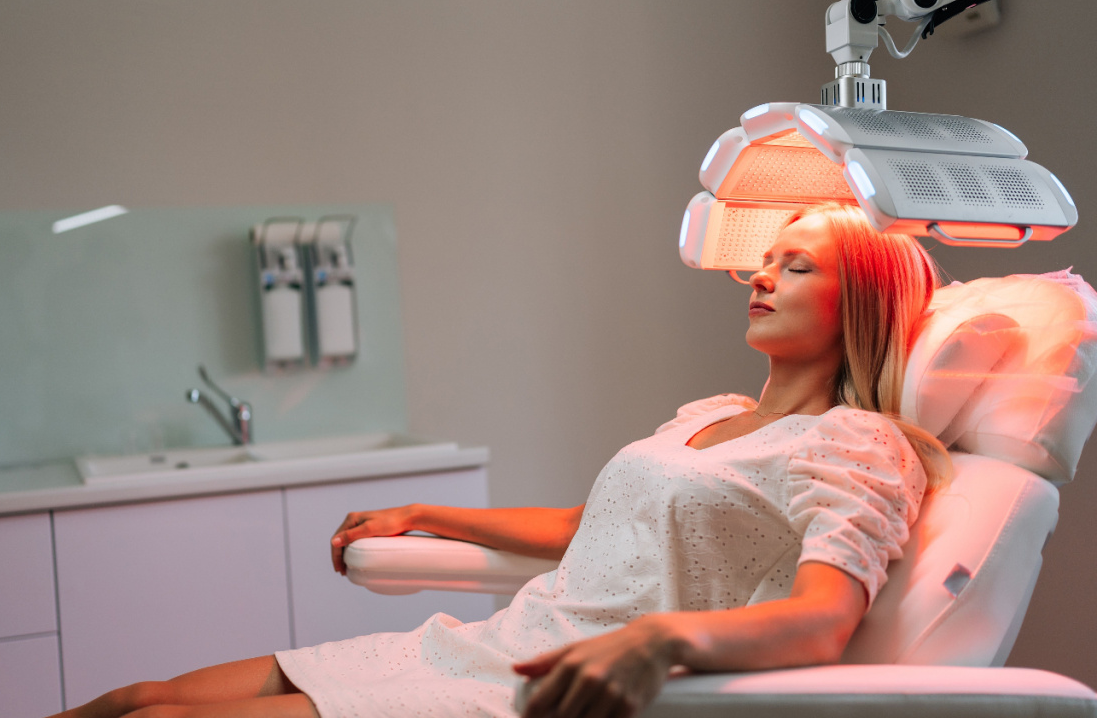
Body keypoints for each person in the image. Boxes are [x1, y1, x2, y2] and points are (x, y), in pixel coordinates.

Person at [50, 203, 950, 718]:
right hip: (487, 644)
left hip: (537, 692)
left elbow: (823, 619)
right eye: (763, 262)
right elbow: (586, 531)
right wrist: (424, 512)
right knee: (141, 697)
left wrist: (659, 638)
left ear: (859, 304)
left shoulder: (857, 447)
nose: (758, 278)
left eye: (795, 267)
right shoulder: (712, 415)